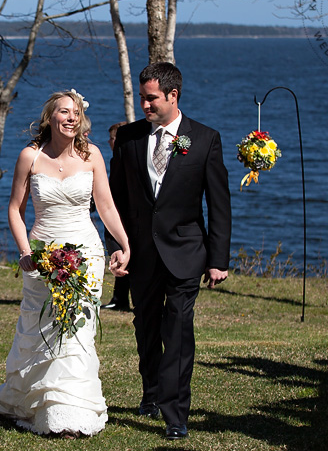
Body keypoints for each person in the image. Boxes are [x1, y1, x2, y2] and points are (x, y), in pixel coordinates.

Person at [0, 90, 130, 438]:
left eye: (76, 112)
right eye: (64, 111)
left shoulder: (92, 155)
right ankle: (34, 399)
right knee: (41, 329)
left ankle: (68, 410)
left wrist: (124, 243)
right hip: (42, 255)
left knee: (76, 332)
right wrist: (25, 252)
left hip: (85, 253)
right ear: (50, 117)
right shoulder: (29, 156)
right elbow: (15, 210)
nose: (71, 117)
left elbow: (105, 207)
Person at [107, 62, 231, 441]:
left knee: (177, 330)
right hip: (140, 253)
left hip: (185, 252)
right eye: (142, 98)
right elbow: (115, 200)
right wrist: (116, 246)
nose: (144, 105)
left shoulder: (205, 139)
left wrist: (217, 260)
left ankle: (175, 413)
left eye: (151, 98)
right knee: (145, 325)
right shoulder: (127, 137)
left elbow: (219, 203)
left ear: (173, 96)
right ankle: (151, 392)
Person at [101, 121, 131, 312]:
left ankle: (122, 298)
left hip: (124, 215)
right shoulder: (115, 159)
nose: (110, 142)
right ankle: (120, 298)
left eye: (113, 138)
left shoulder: (125, 160)